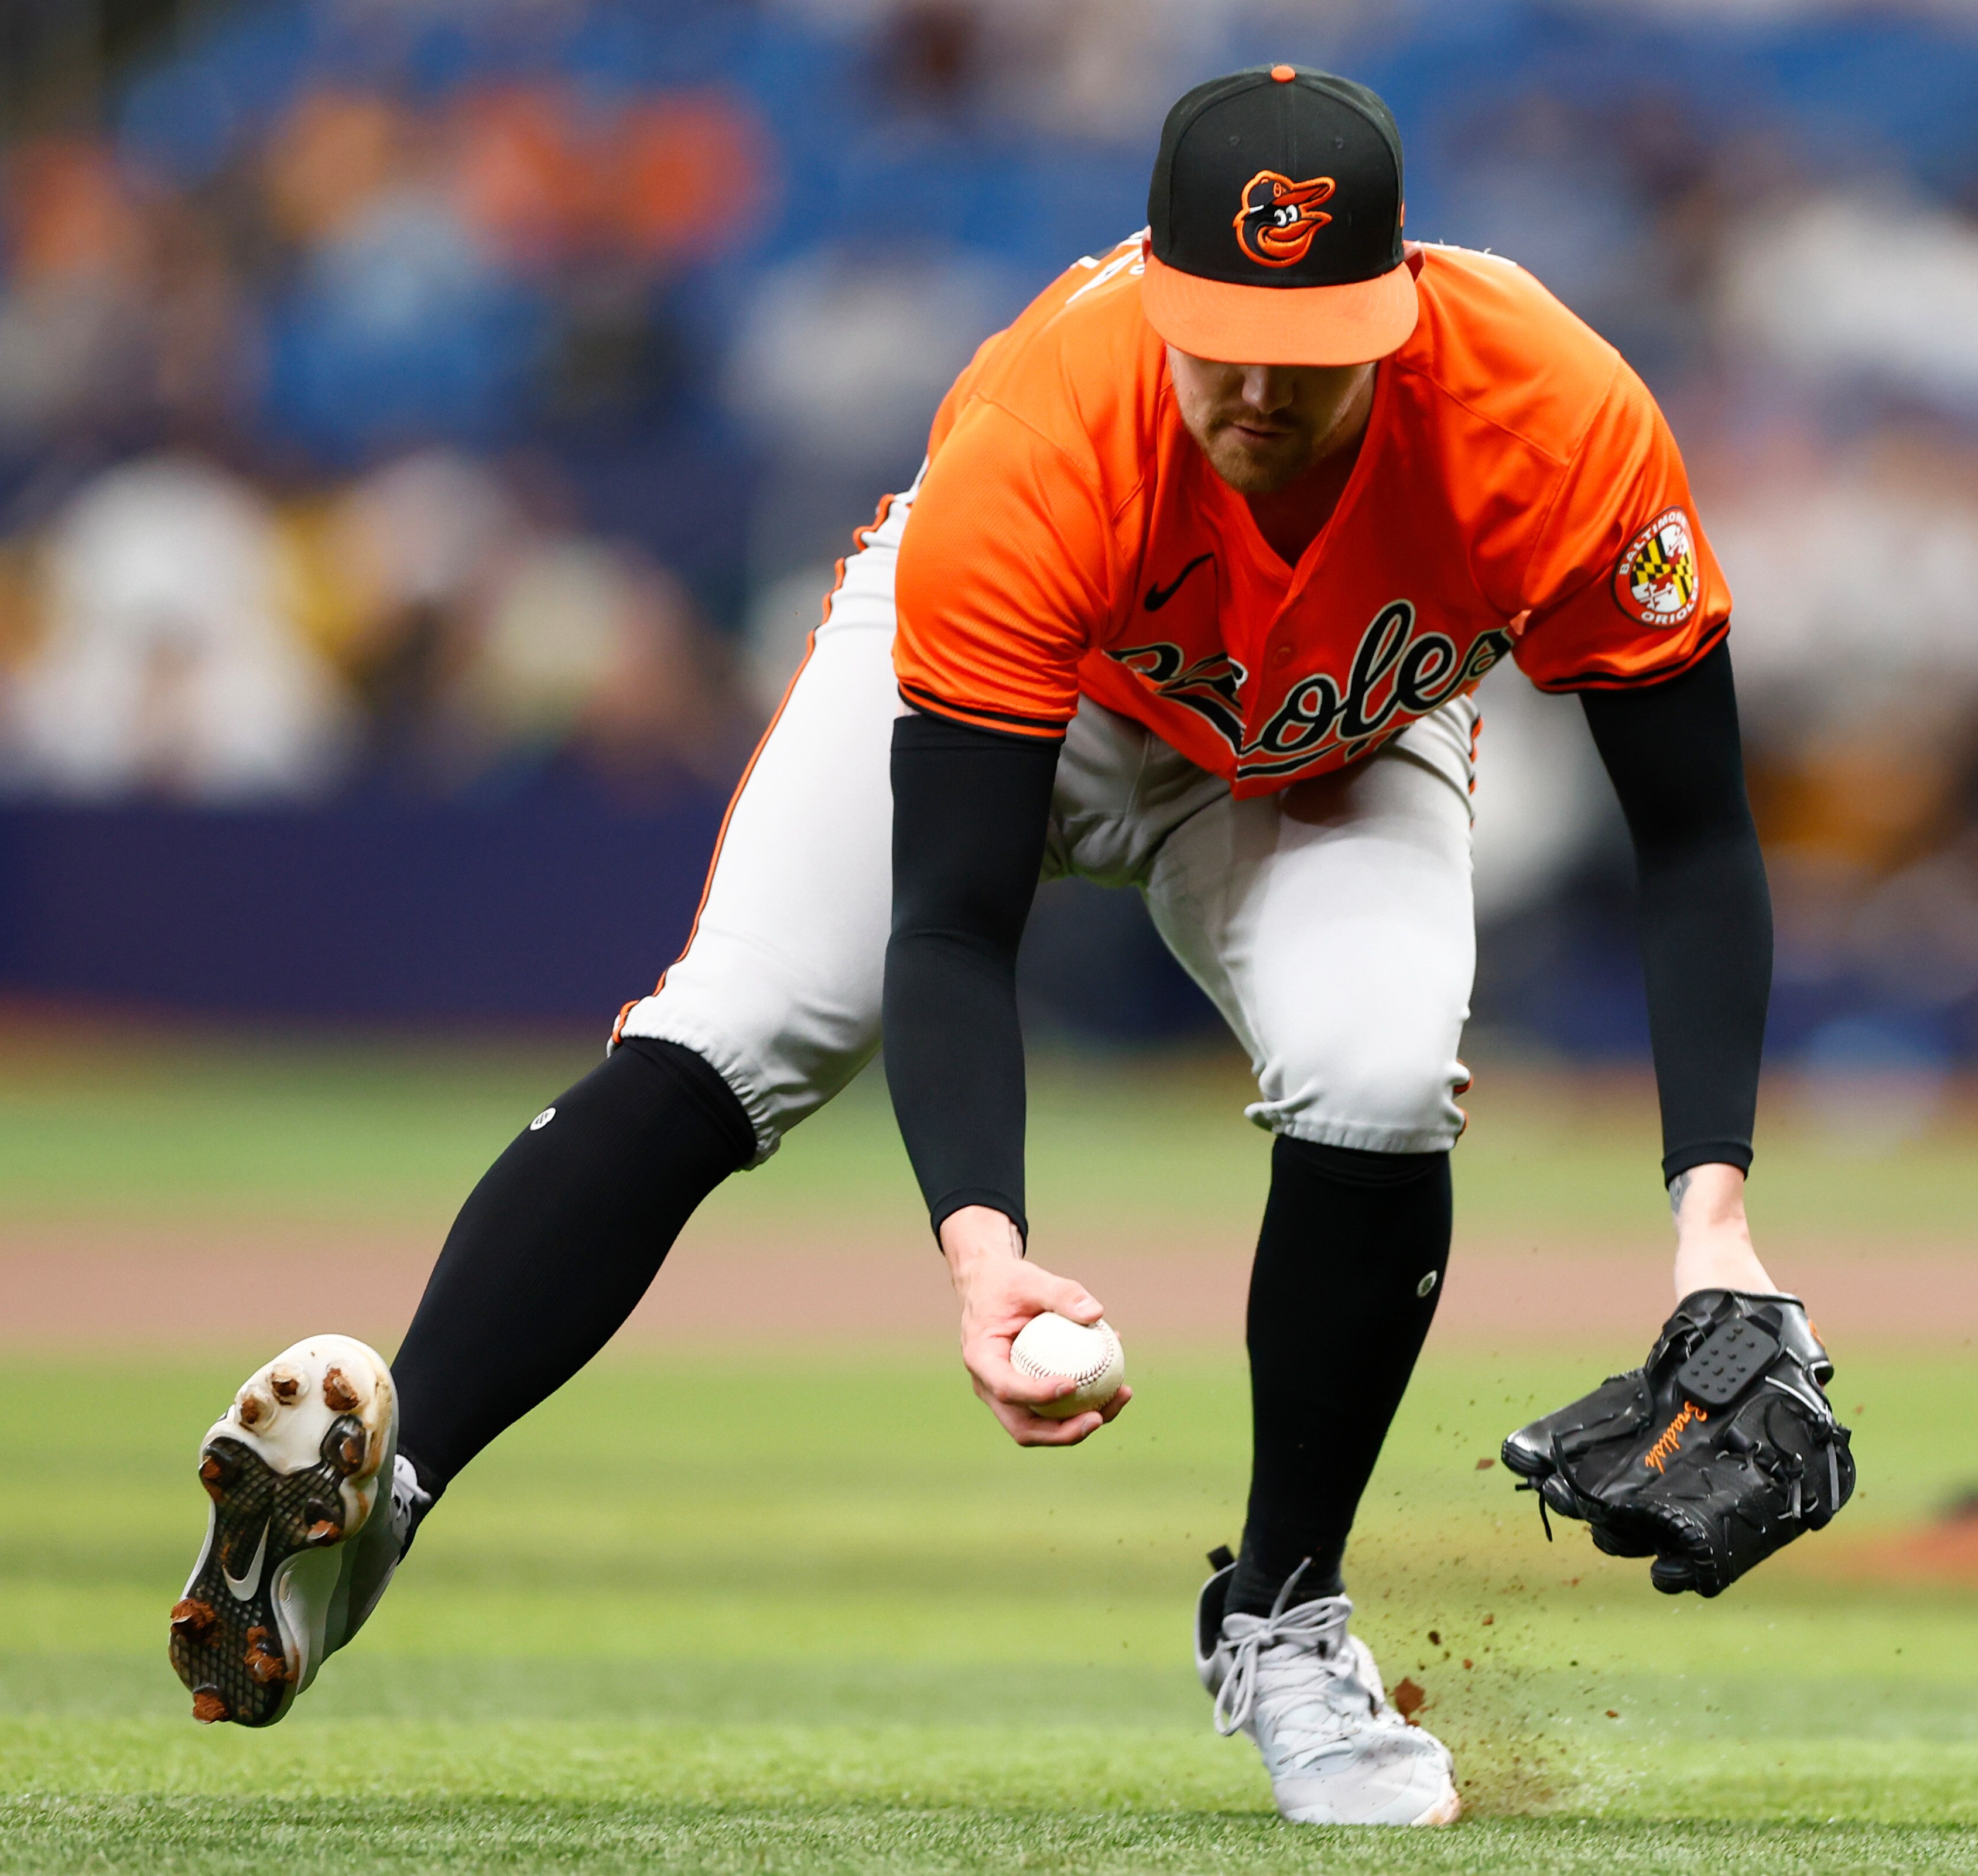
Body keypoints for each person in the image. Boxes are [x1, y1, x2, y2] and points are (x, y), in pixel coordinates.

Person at [166, 65, 1852, 1827]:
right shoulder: (1050, 432)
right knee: (736, 1028)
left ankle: (1285, 1617)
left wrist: (1712, 1219)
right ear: (1155, 283)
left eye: (1317, 343)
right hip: (1042, 684)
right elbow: (954, 928)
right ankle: (380, 1504)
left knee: (1379, 1068)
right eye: (1222, 336)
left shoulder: (1556, 419)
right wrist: (989, 1253)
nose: (1263, 388)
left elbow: (1698, 836)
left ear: (1403, 300)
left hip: (1332, 753)